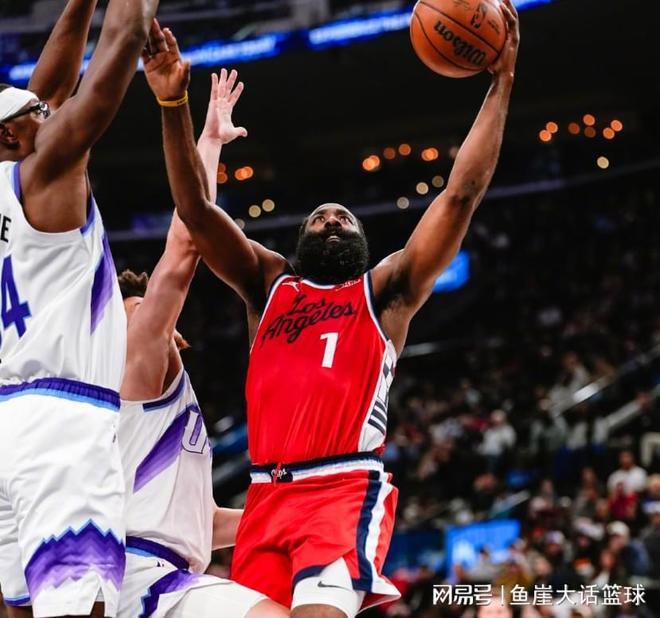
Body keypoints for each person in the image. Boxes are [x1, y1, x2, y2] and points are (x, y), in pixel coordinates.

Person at [144, 4, 520, 615]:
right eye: (320, 218)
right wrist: (172, 104)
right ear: (300, 243)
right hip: (265, 496)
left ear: (363, 242)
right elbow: (195, 211)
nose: (332, 219)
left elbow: (460, 195)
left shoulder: (385, 292)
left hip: (341, 487)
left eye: (343, 217)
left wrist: (502, 82)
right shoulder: (268, 285)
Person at [0, 0, 160, 616]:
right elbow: (118, 47)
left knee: (19, 607)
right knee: (82, 604)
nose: (51, 112)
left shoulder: (16, 172)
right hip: (62, 425)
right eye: (39, 115)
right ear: (12, 135)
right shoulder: (44, 174)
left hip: (9, 420)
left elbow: (46, 90)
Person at [116, 66, 286, 618]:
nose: (147, 317)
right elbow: (187, 241)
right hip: (144, 576)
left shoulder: (165, 399)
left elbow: (202, 523)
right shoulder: (134, 365)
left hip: (164, 572)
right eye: (134, 311)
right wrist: (208, 141)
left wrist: (295, 511)